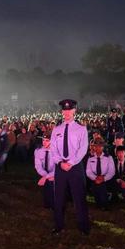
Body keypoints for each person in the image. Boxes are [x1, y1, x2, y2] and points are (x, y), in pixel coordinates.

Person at [49, 99, 90, 235]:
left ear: (74, 111)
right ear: (62, 112)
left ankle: (83, 226)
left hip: (75, 166)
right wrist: (60, 163)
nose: (67, 112)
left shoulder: (81, 129)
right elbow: (53, 149)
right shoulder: (56, 129)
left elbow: (83, 149)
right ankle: (58, 225)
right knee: (59, 198)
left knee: (79, 197)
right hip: (60, 167)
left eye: (69, 110)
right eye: (64, 110)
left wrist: (71, 163)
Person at [85, 138, 115, 210]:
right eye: (95, 146)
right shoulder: (90, 158)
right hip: (95, 180)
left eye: (100, 146)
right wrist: (95, 178)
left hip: (106, 180)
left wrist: (103, 178)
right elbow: (88, 172)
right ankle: (102, 202)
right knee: (97, 186)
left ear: (103, 147)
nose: (97, 148)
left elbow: (112, 171)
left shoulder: (108, 157)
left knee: (102, 186)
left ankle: (104, 203)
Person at [34, 134, 55, 209]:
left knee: (52, 181)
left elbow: (58, 168)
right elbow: (38, 166)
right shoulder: (38, 151)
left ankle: (53, 203)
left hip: (55, 174)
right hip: (44, 174)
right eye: (43, 140)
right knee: (49, 182)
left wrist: (46, 177)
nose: (44, 142)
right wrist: (45, 176)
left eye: (47, 140)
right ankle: (48, 203)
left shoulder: (57, 151)